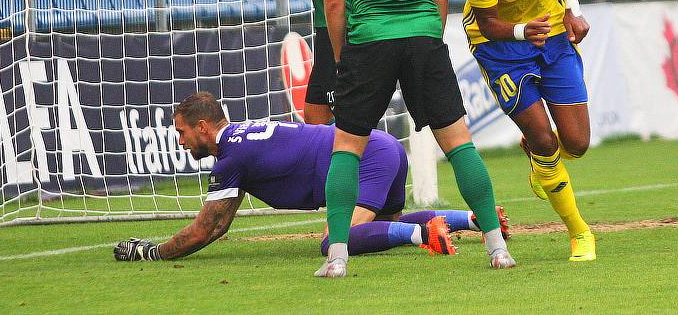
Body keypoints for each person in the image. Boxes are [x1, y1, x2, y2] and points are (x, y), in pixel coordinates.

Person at [315, 0, 515, 278]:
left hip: (368, 40)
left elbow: (333, 2)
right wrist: (431, 32)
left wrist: (342, 54)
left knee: (347, 148)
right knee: (458, 140)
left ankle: (338, 258)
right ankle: (498, 248)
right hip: (422, 34)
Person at [113, 92, 509, 262]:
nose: (180, 142)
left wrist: (154, 251)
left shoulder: (231, 156)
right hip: (382, 147)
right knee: (382, 226)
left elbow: (208, 228)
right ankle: (469, 220)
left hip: (365, 157)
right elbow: (218, 224)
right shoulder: (242, 137)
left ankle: (424, 236)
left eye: (181, 132)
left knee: (332, 242)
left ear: (202, 127)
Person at [459, 0, 595, 262]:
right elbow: (488, 22)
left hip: (551, 31)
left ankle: (541, 161)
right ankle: (579, 232)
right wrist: (522, 32)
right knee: (544, 139)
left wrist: (570, 6)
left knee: (578, 143)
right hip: (499, 44)